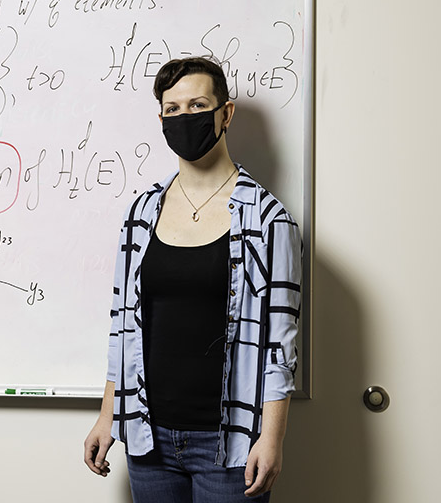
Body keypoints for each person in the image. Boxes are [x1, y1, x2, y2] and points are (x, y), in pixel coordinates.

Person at [83, 57, 302, 502]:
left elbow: (281, 343)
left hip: (229, 443)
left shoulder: (267, 218)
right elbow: (124, 324)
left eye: (198, 104)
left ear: (226, 112)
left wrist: (272, 437)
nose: (185, 118)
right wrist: (108, 415)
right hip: (148, 437)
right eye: (173, 109)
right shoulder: (142, 212)